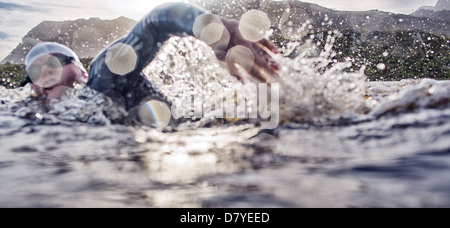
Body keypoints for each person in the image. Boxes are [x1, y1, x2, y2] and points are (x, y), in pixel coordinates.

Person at [24, 2, 279, 110]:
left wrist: (217, 30)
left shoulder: (103, 77)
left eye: (54, 65)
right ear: (33, 89)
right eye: (36, 73)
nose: (46, 73)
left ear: (81, 71)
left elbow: (156, 20)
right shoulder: (29, 118)